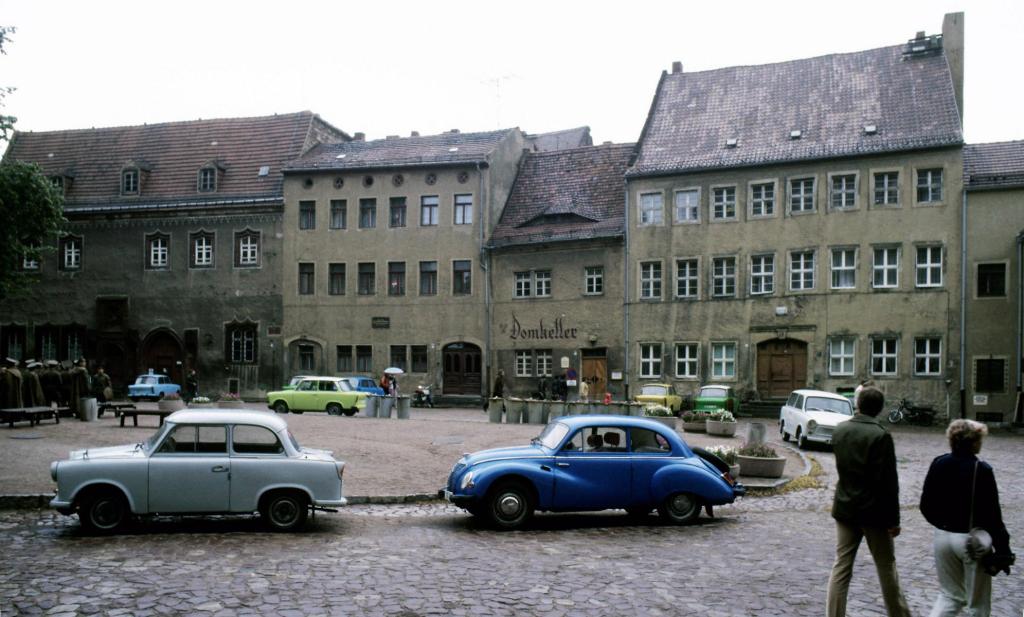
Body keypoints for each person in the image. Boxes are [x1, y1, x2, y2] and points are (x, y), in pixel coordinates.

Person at [826, 386, 911, 617]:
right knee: (886, 566)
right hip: (874, 513)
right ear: (880, 409)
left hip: (845, 506)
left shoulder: (841, 430)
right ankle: (899, 614)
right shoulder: (881, 436)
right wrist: (894, 520)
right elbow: (889, 483)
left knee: (841, 566)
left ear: (858, 404)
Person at [920, 419, 1012, 616]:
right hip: (971, 540)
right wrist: (1003, 548)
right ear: (974, 442)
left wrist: (942, 524)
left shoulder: (939, 463)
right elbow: (992, 515)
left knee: (949, 596)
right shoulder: (982, 469)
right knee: (977, 604)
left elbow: (925, 505)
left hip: (942, 537)